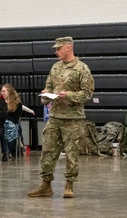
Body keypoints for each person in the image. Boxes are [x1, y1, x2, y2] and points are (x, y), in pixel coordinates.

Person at [28, 37, 95, 199]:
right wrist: (46, 94)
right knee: (48, 151)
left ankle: (69, 185)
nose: (56, 51)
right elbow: (49, 86)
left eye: (58, 49)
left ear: (68, 47)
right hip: (55, 117)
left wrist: (69, 95)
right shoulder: (55, 67)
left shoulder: (82, 69)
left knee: (72, 153)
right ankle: (46, 185)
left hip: (73, 119)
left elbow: (87, 93)